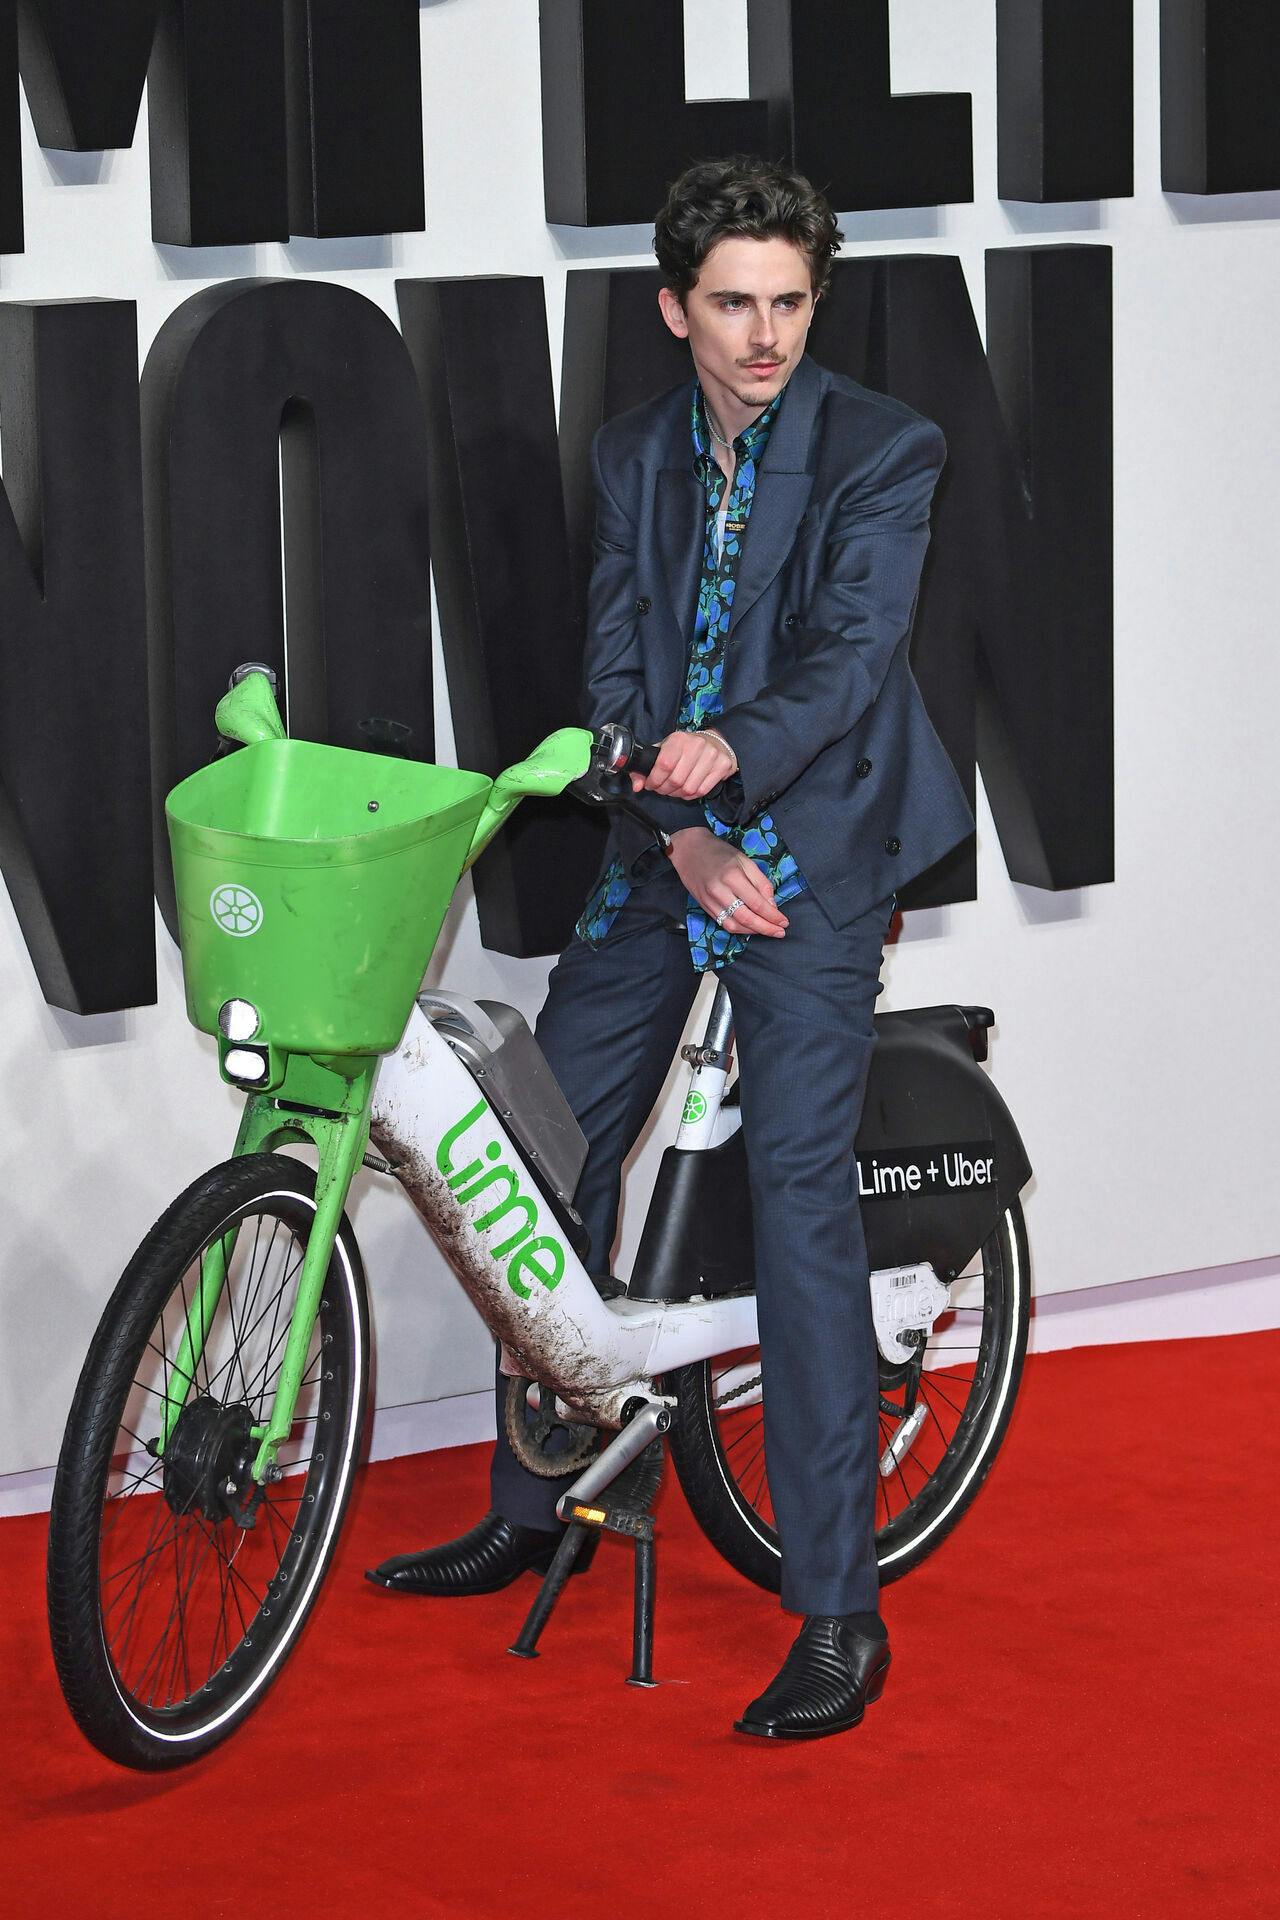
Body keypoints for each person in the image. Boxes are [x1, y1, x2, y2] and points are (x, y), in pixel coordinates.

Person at [369, 154, 974, 1741]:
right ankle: (532, 1497)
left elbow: (853, 660)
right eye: (733, 305)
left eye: (789, 303)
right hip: (673, 835)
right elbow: (619, 651)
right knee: (539, 1149)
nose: (764, 336)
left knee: (797, 1215)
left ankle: (840, 1611)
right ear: (673, 308)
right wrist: (680, 823)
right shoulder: (639, 450)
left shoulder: (886, 447)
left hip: (820, 835)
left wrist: (732, 772)